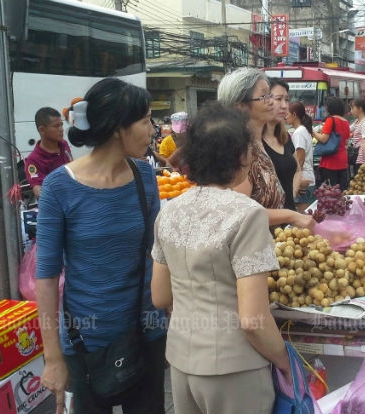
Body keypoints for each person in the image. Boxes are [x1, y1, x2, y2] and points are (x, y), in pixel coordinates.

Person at [35, 78, 168, 414]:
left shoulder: (145, 176)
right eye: (144, 121)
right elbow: (47, 277)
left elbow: (158, 254)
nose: (153, 130)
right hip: (87, 341)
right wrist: (52, 359)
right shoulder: (59, 187)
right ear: (116, 129)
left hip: (146, 331)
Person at [151, 102, 291, 414]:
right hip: (234, 368)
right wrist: (285, 362)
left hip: (181, 362)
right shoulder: (247, 214)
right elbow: (252, 320)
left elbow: (160, 297)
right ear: (243, 156)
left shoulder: (169, 210)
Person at [217, 67, 316, 230]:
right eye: (264, 96)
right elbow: (240, 212)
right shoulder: (238, 150)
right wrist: (291, 215)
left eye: (270, 95)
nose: (272, 102)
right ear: (241, 106)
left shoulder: (259, 145)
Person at [24, 107, 73, 199]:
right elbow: (37, 189)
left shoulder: (64, 144)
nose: (61, 129)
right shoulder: (34, 160)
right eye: (56, 126)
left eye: (61, 125)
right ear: (42, 130)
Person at [263, 79, 297, 211]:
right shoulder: (253, 142)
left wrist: (291, 195)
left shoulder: (285, 137)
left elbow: (298, 169)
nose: (284, 106)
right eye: (279, 99)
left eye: (286, 100)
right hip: (266, 225)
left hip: (289, 222)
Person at [312, 96, 351, 191]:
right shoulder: (346, 122)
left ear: (330, 108)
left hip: (330, 161)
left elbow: (323, 139)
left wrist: (312, 132)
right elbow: (346, 141)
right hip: (343, 160)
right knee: (340, 190)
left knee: (330, 191)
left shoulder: (331, 120)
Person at [288, 101, 315, 212]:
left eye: (287, 114)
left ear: (294, 115)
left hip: (304, 179)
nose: (285, 117)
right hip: (308, 177)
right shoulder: (304, 130)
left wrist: (297, 181)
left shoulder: (299, 133)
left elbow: (300, 159)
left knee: (302, 216)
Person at [349, 98, 365, 176]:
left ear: (360, 108)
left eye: (352, 108)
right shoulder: (357, 121)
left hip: (363, 159)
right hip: (359, 158)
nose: (351, 111)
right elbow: (347, 129)